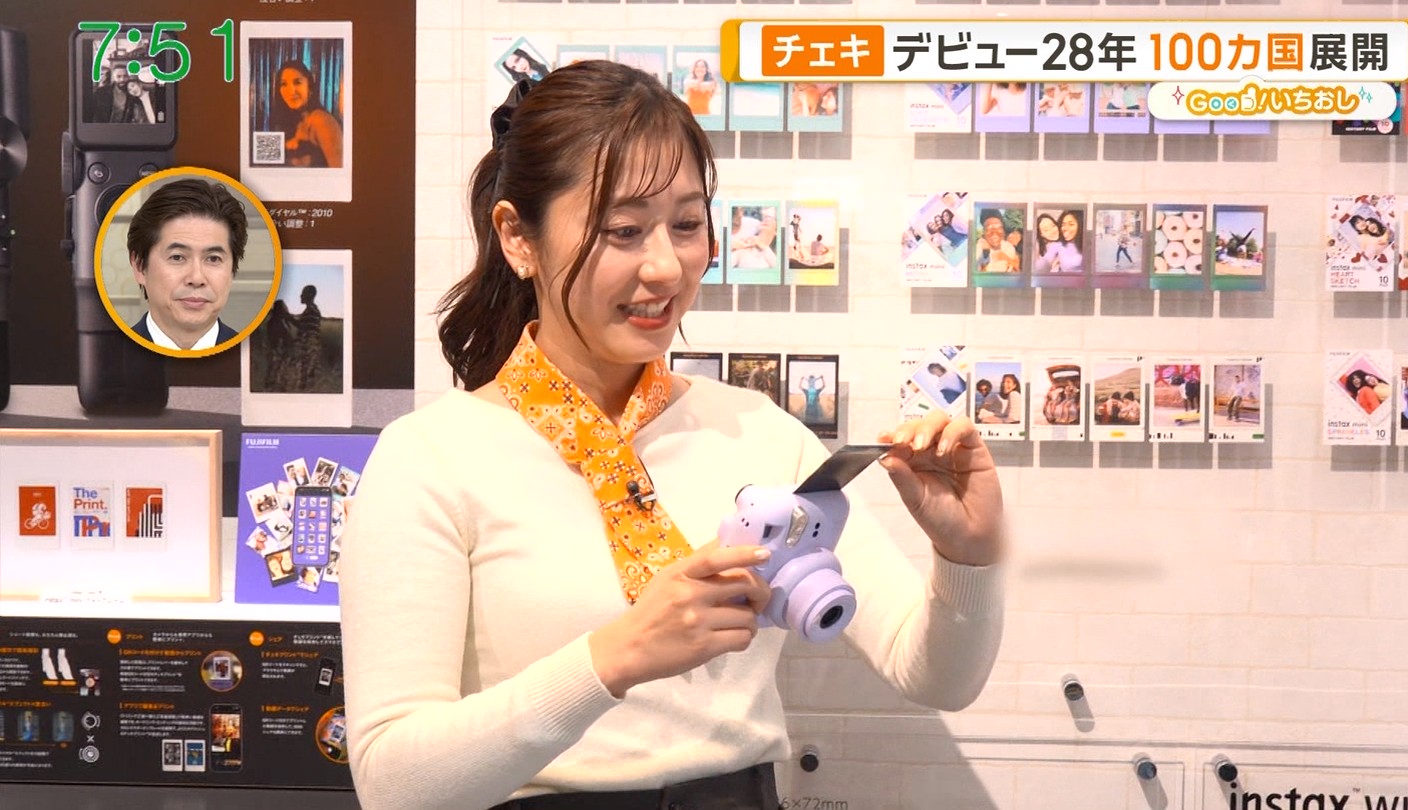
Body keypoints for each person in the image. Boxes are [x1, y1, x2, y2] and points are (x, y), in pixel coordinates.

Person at [340, 62, 1006, 810]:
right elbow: (393, 785)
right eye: (623, 231)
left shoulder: (761, 433)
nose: (665, 266)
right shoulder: (430, 459)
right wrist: (614, 657)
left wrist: (968, 554)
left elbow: (935, 676)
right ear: (518, 238)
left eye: (687, 225)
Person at [127, 178, 246, 350]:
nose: (196, 278)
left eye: (213, 259)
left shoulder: (253, 355)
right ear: (140, 266)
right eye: (177, 257)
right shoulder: (101, 357)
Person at [273, 60, 343, 168]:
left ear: (309, 87)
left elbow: (338, 171)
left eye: (297, 82)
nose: (291, 91)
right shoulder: (292, 122)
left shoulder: (320, 119)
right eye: (284, 84)